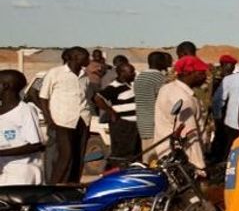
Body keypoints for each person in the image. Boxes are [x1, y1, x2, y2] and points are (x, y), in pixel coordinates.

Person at [38, 47, 91, 184]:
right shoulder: (55, 73)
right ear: (75, 57)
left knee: (78, 155)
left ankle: (72, 185)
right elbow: (43, 97)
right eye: (85, 57)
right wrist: (49, 120)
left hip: (82, 120)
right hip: (62, 120)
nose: (88, 60)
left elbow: (87, 97)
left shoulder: (85, 76)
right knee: (65, 155)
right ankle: (54, 186)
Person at [154, 56, 208, 173]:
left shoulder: (166, 88)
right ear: (191, 73)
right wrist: (199, 166)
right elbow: (189, 137)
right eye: (202, 73)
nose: (205, 77)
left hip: (165, 152)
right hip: (182, 161)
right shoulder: (185, 99)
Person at [0, 70, 46, 185]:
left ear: (6, 86)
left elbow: (35, 145)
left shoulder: (25, 111)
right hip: (4, 170)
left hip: (23, 171)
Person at [95, 62, 141, 166]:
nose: (134, 74)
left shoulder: (131, 85)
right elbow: (98, 98)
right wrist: (111, 111)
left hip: (134, 124)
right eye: (131, 72)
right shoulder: (114, 87)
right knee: (121, 153)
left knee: (134, 152)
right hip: (123, 124)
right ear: (122, 73)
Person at [134, 51, 171, 144]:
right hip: (156, 125)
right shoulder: (159, 78)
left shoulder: (140, 77)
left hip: (143, 123)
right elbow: (166, 101)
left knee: (147, 155)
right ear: (160, 62)